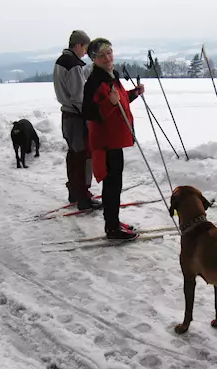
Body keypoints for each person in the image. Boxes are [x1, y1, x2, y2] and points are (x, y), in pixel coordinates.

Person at [82, 38, 144, 240]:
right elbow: (89, 112)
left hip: (114, 140)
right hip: (106, 143)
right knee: (111, 186)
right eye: (102, 55)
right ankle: (112, 228)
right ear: (94, 59)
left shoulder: (110, 76)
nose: (108, 57)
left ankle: (114, 222)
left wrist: (133, 94)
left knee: (114, 184)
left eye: (109, 52)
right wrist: (109, 103)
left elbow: (119, 99)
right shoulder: (95, 81)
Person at [53, 30, 102, 210]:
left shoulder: (60, 61)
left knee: (73, 155)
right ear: (79, 45)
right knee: (82, 156)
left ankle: (74, 192)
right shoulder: (73, 65)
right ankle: (83, 198)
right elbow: (78, 96)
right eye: (85, 48)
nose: (85, 53)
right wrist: (90, 115)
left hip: (67, 115)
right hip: (76, 116)